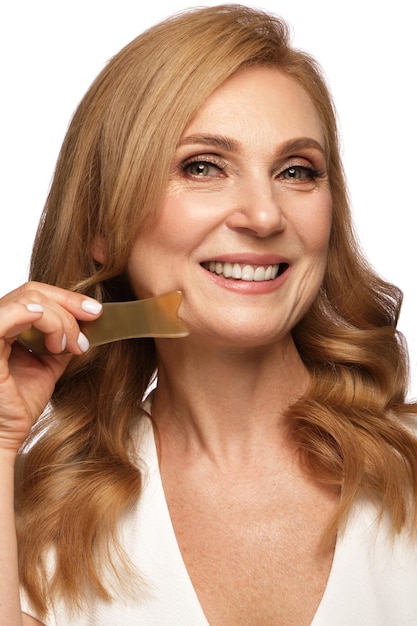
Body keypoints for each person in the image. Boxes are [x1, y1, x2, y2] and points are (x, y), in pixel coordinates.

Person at [1, 4, 417, 625]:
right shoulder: (39, 527)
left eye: (297, 171)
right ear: (102, 228)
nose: (264, 215)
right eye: (203, 166)